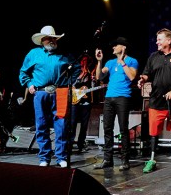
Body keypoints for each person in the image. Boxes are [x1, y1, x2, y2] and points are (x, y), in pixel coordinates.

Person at [19, 25, 81, 168]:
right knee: (41, 125)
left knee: (61, 126)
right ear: (42, 40)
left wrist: (68, 82)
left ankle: (61, 157)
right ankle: (44, 157)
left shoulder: (65, 55)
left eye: (54, 38)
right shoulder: (33, 54)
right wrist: (29, 84)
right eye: (49, 38)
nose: (52, 41)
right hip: (41, 93)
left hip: (60, 92)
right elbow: (23, 72)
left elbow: (77, 68)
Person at [137, 28, 171, 174]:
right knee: (153, 131)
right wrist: (142, 80)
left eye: (160, 39)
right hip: (156, 101)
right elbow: (146, 74)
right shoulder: (153, 56)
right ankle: (152, 160)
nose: (157, 42)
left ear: (168, 41)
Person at [94, 37, 138, 171]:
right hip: (109, 97)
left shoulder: (132, 61)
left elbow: (132, 77)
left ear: (123, 47)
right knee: (107, 128)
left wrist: (123, 62)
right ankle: (108, 159)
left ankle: (125, 161)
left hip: (123, 97)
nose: (113, 48)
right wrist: (99, 61)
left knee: (123, 129)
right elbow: (99, 77)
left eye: (115, 46)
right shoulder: (110, 62)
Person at [70, 53, 96, 153]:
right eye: (83, 60)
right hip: (75, 100)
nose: (84, 62)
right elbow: (71, 86)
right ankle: (70, 144)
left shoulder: (91, 73)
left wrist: (93, 79)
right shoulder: (75, 71)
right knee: (72, 124)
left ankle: (81, 144)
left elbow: (93, 85)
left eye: (86, 61)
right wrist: (80, 76)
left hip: (86, 101)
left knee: (84, 125)